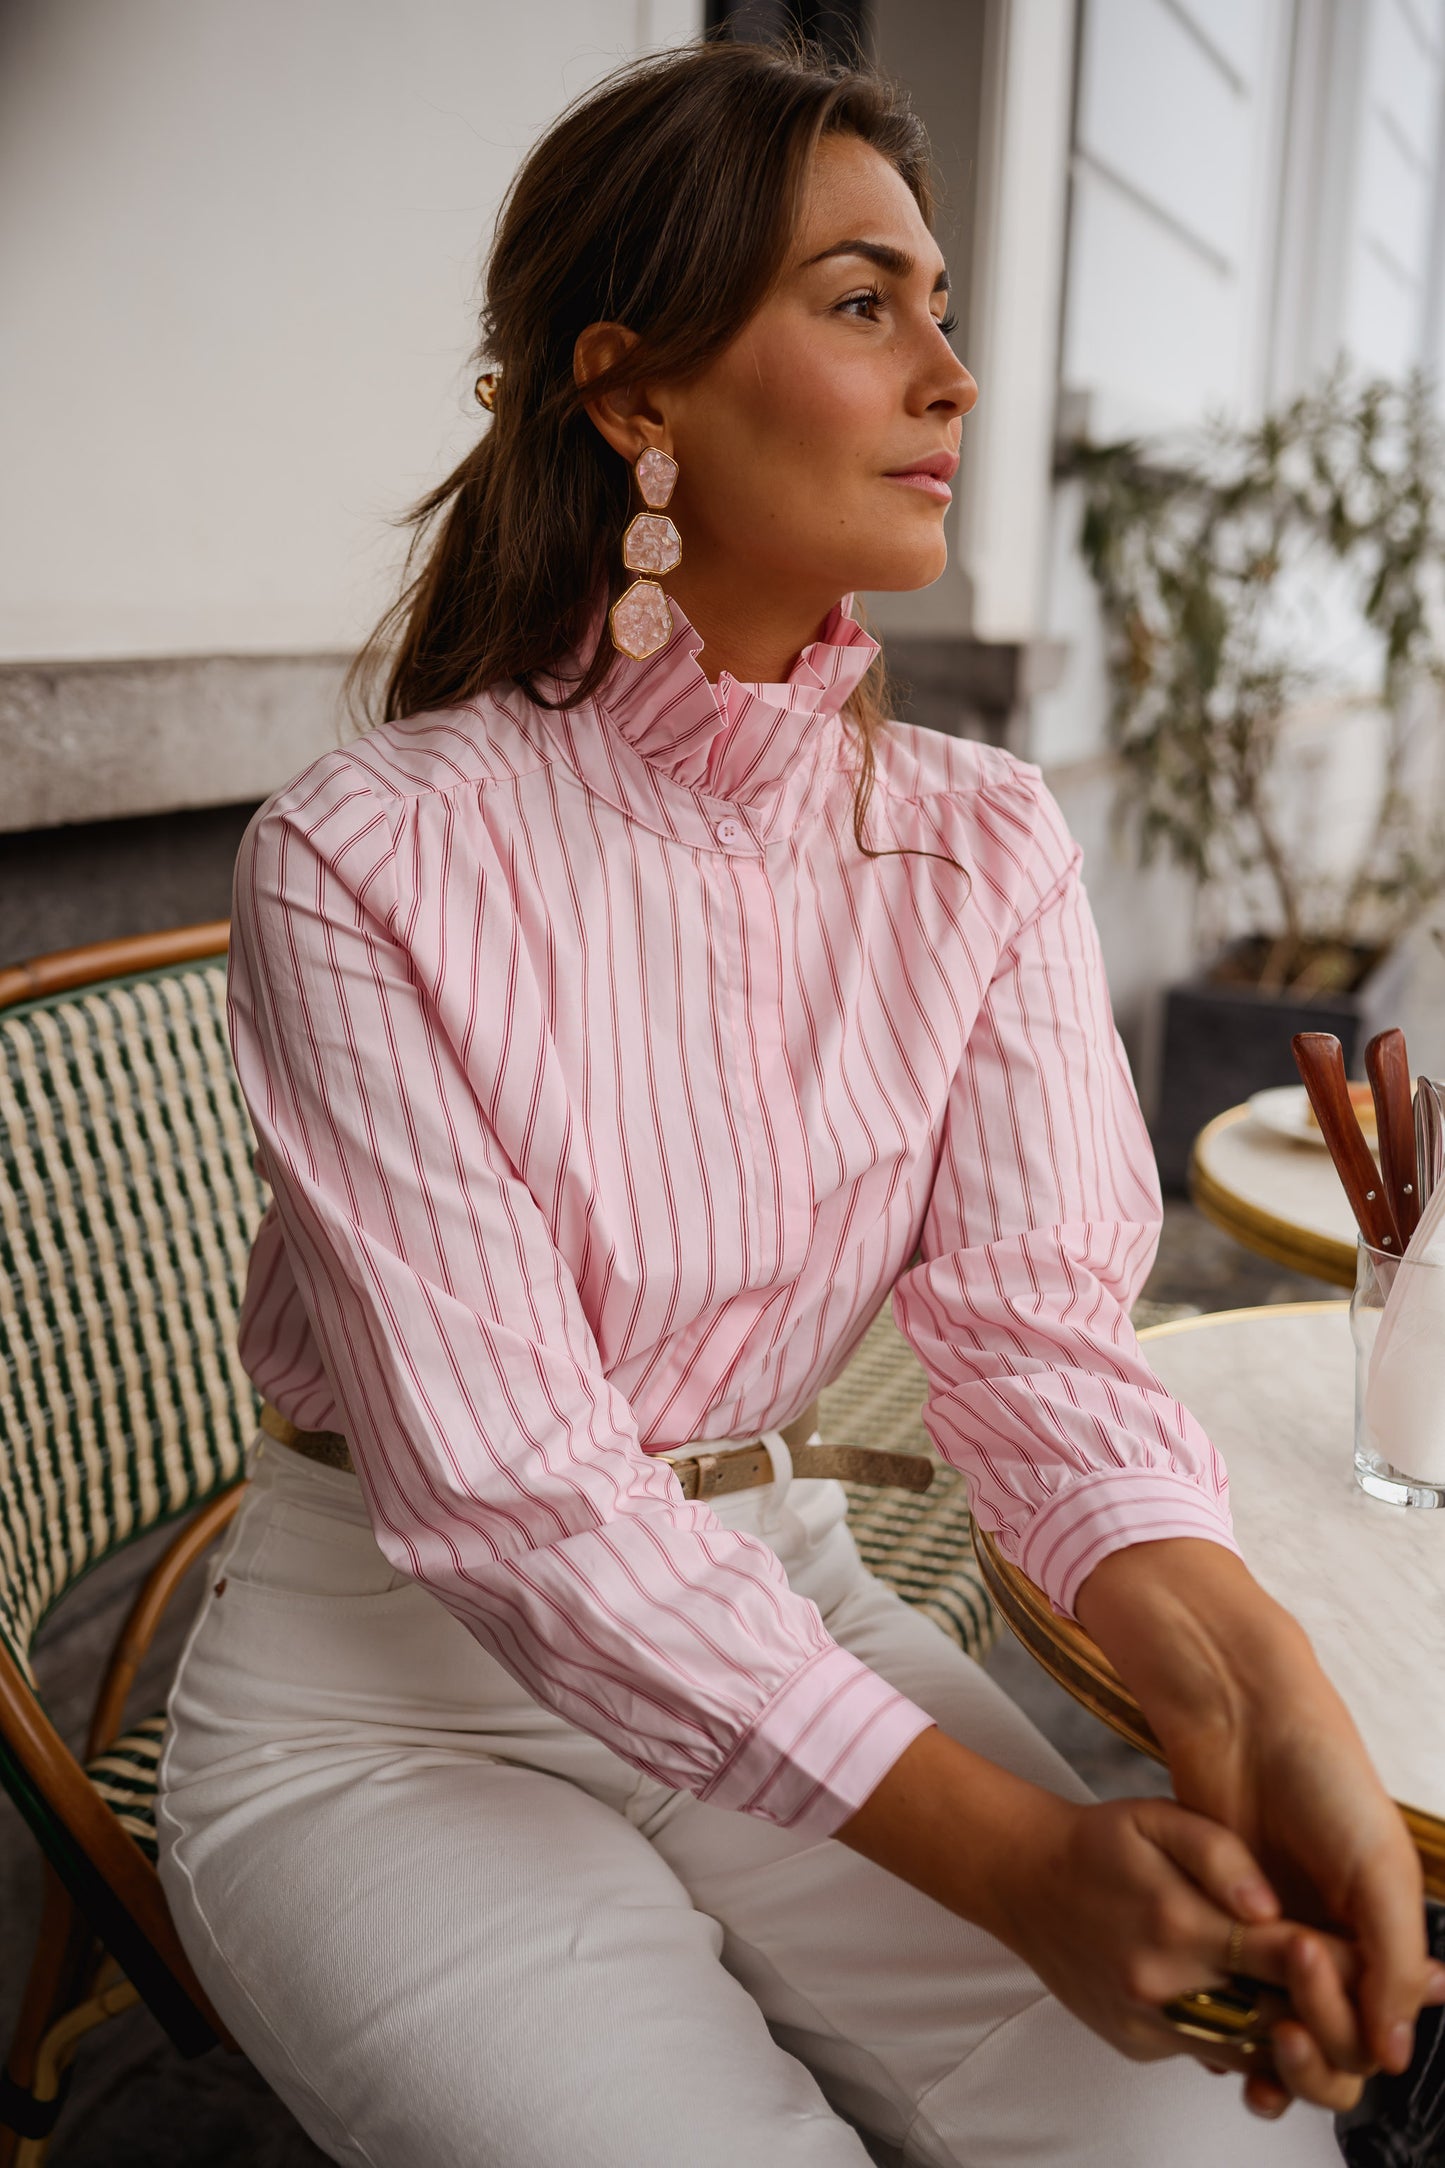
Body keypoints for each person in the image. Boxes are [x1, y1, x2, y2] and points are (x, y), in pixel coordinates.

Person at [156, 37, 1445, 2168]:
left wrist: (1262, 1704)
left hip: (785, 1600)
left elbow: (1040, 1359)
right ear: (635, 393)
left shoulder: (986, 843)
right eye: (864, 301)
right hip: (391, 1706)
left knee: (1212, 2150)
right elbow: (518, 1497)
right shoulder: (361, 854)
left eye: (941, 306)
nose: (952, 373)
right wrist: (1015, 1861)